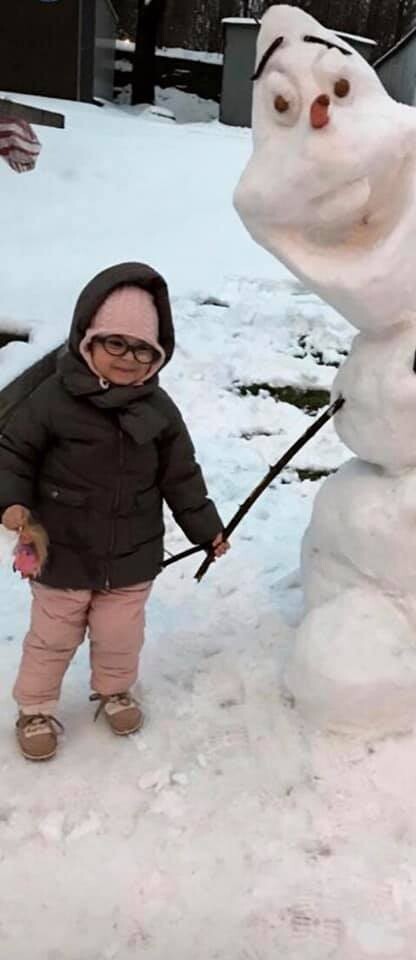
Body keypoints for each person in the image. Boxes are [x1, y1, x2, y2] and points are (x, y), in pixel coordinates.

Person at [0, 262, 229, 761]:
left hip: (132, 553)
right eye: (116, 343)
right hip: (59, 550)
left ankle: (114, 689)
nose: (129, 358)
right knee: (53, 637)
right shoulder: (51, 401)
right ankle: (35, 706)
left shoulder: (160, 411)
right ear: (88, 341)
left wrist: (206, 529)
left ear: (158, 355)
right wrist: (12, 501)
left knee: (120, 635)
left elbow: (181, 477)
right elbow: (13, 453)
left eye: (143, 349)